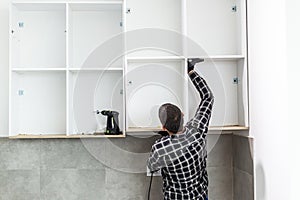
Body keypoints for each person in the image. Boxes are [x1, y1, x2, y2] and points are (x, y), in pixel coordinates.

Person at [147, 58, 214, 200]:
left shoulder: (159, 148)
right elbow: (208, 97)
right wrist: (191, 71)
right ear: (183, 115)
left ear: (163, 127)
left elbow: (152, 167)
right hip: (200, 197)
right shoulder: (198, 129)